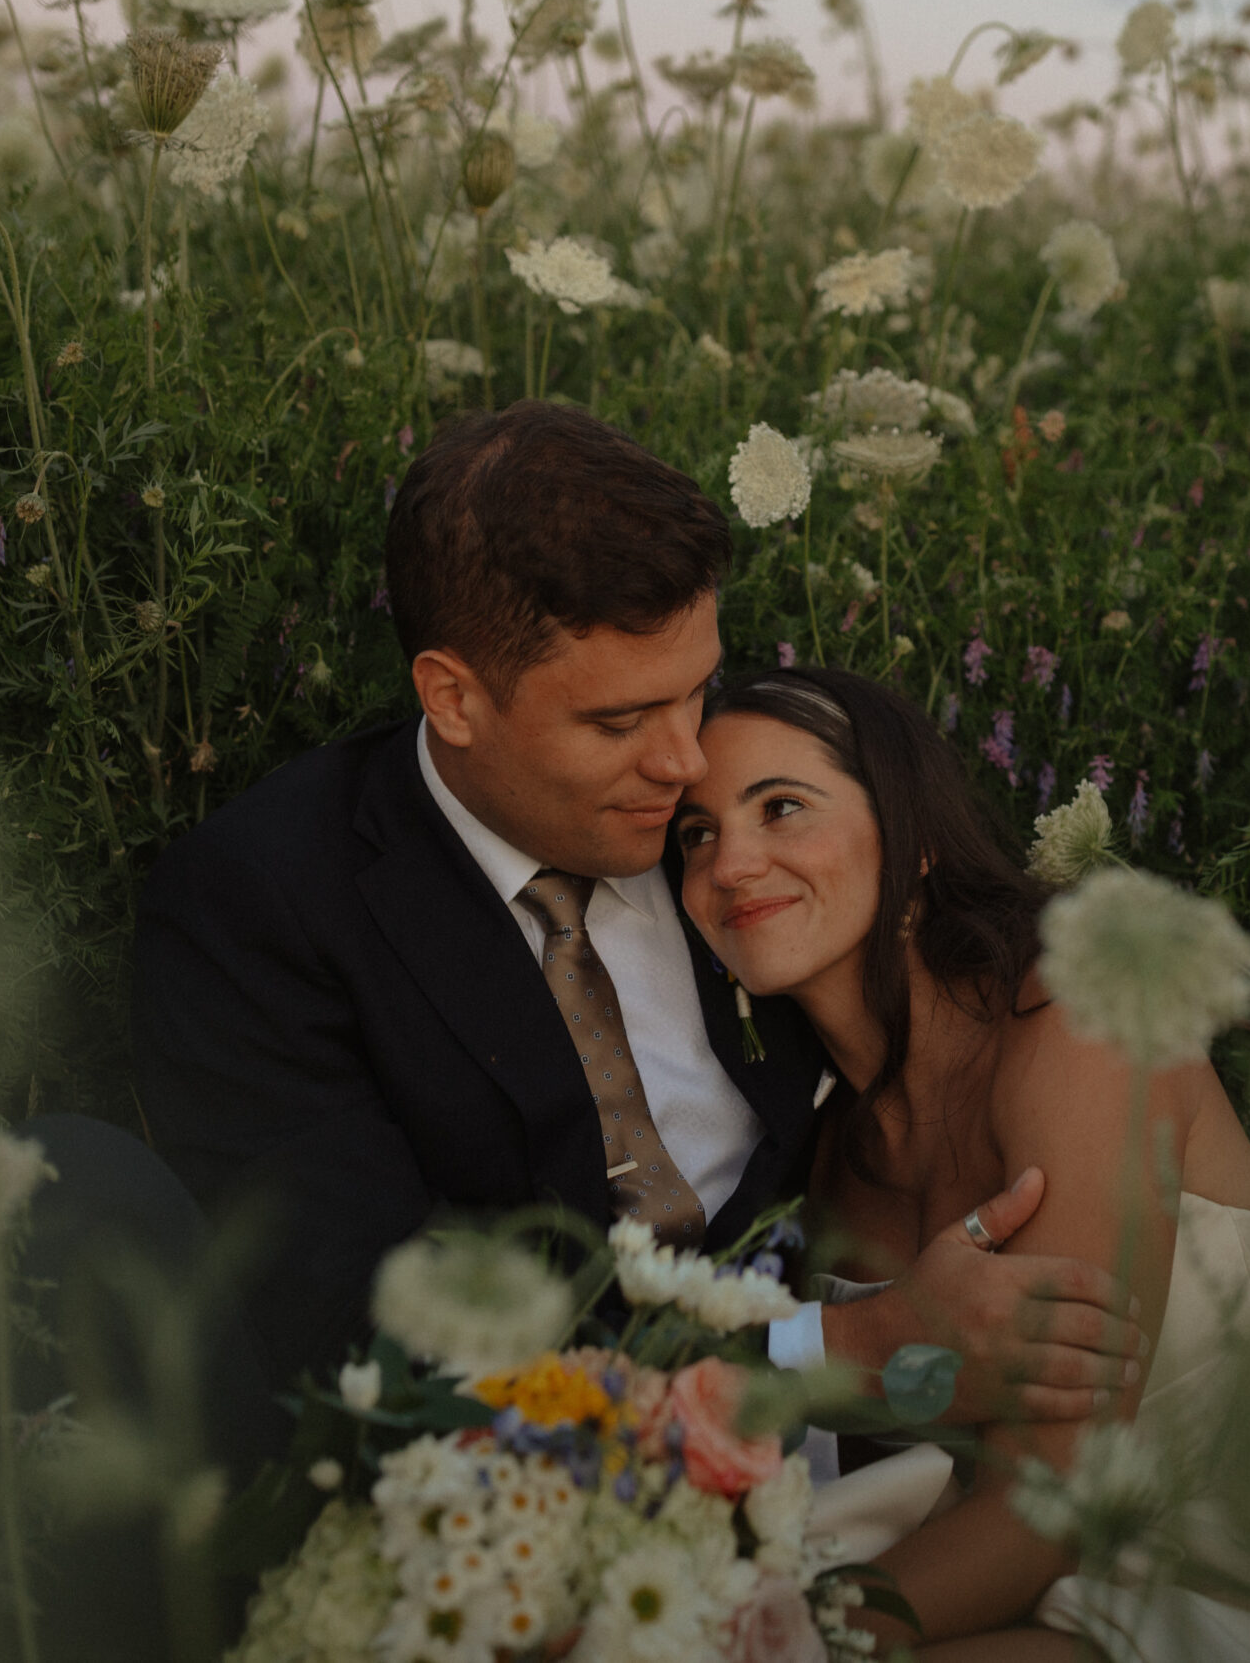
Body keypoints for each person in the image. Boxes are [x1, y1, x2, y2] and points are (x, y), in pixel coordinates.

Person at [115, 401, 1165, 1464]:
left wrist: (1183, 1198)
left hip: (936, 1415)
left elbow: (960, 1028)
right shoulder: (266, 907)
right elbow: (373, 1354)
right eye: (618, 722)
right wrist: (849, 1343)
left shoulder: (726, 817)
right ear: (453, 697)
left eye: (694, 689)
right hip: (556, 1496)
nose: (680, 762)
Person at [675, 666, 1250, 1663]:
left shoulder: (1081, 1021)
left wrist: (784, 1643)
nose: (730, 863)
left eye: (781, 808)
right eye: (697, 834)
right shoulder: (813, 1160)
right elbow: (906, 1436)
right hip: (992, 1594)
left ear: (918, 837)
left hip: (1215, 1575)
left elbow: (1051, 1498)